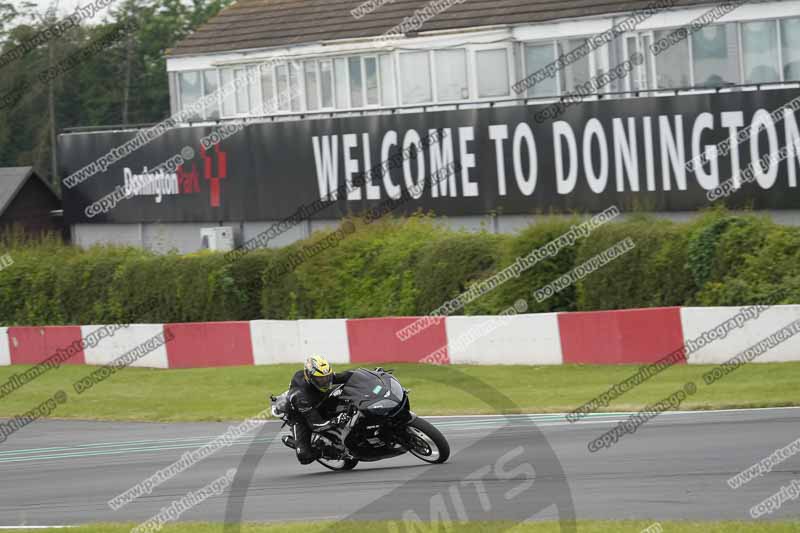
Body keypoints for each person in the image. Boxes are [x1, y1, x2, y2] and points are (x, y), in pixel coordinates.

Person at [287, 355, 353, 464]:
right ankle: (323, 451)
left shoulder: (321, 376)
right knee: (304, 456)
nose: (325, 381)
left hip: (319, 401)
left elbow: (344, 376)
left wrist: (371, 374)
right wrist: (336, 420)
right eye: (320, 379)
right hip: (301, 415)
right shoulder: (301, 396)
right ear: (310, 377)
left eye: (327, 377)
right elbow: (316, 424)